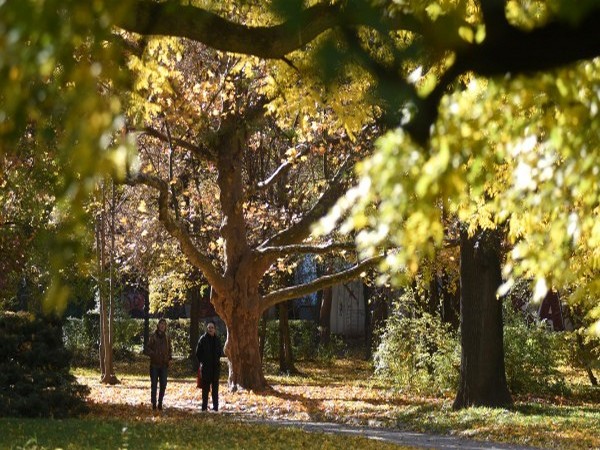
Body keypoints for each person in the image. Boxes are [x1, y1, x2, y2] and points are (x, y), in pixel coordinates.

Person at [195, 320, 223, 411]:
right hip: (206, 368)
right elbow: (198, 353)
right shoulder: (202, 339)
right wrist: (203, 361)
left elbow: (220, 352)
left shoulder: (217, 340)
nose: (210, 329)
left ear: (215, 329)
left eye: (212, 328)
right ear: (207, 329)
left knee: (215, 390)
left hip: (215, 368)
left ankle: (215, 407)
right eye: (209, 328)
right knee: (205, 389)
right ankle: (204, 407)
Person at [146, 318, 172, 410]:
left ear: (165, 327)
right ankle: (153, 403)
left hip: (164, 364)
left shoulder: (167, 337)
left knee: (163, 384)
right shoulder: (153, 336)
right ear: (158, 325)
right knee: (154, 384)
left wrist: (169, 358)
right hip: (154, 365)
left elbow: (170, 349)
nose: (162, 326)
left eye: (164, 324)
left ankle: (160, 402)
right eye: (161, 324)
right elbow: (147, 348)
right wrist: (154, 354)